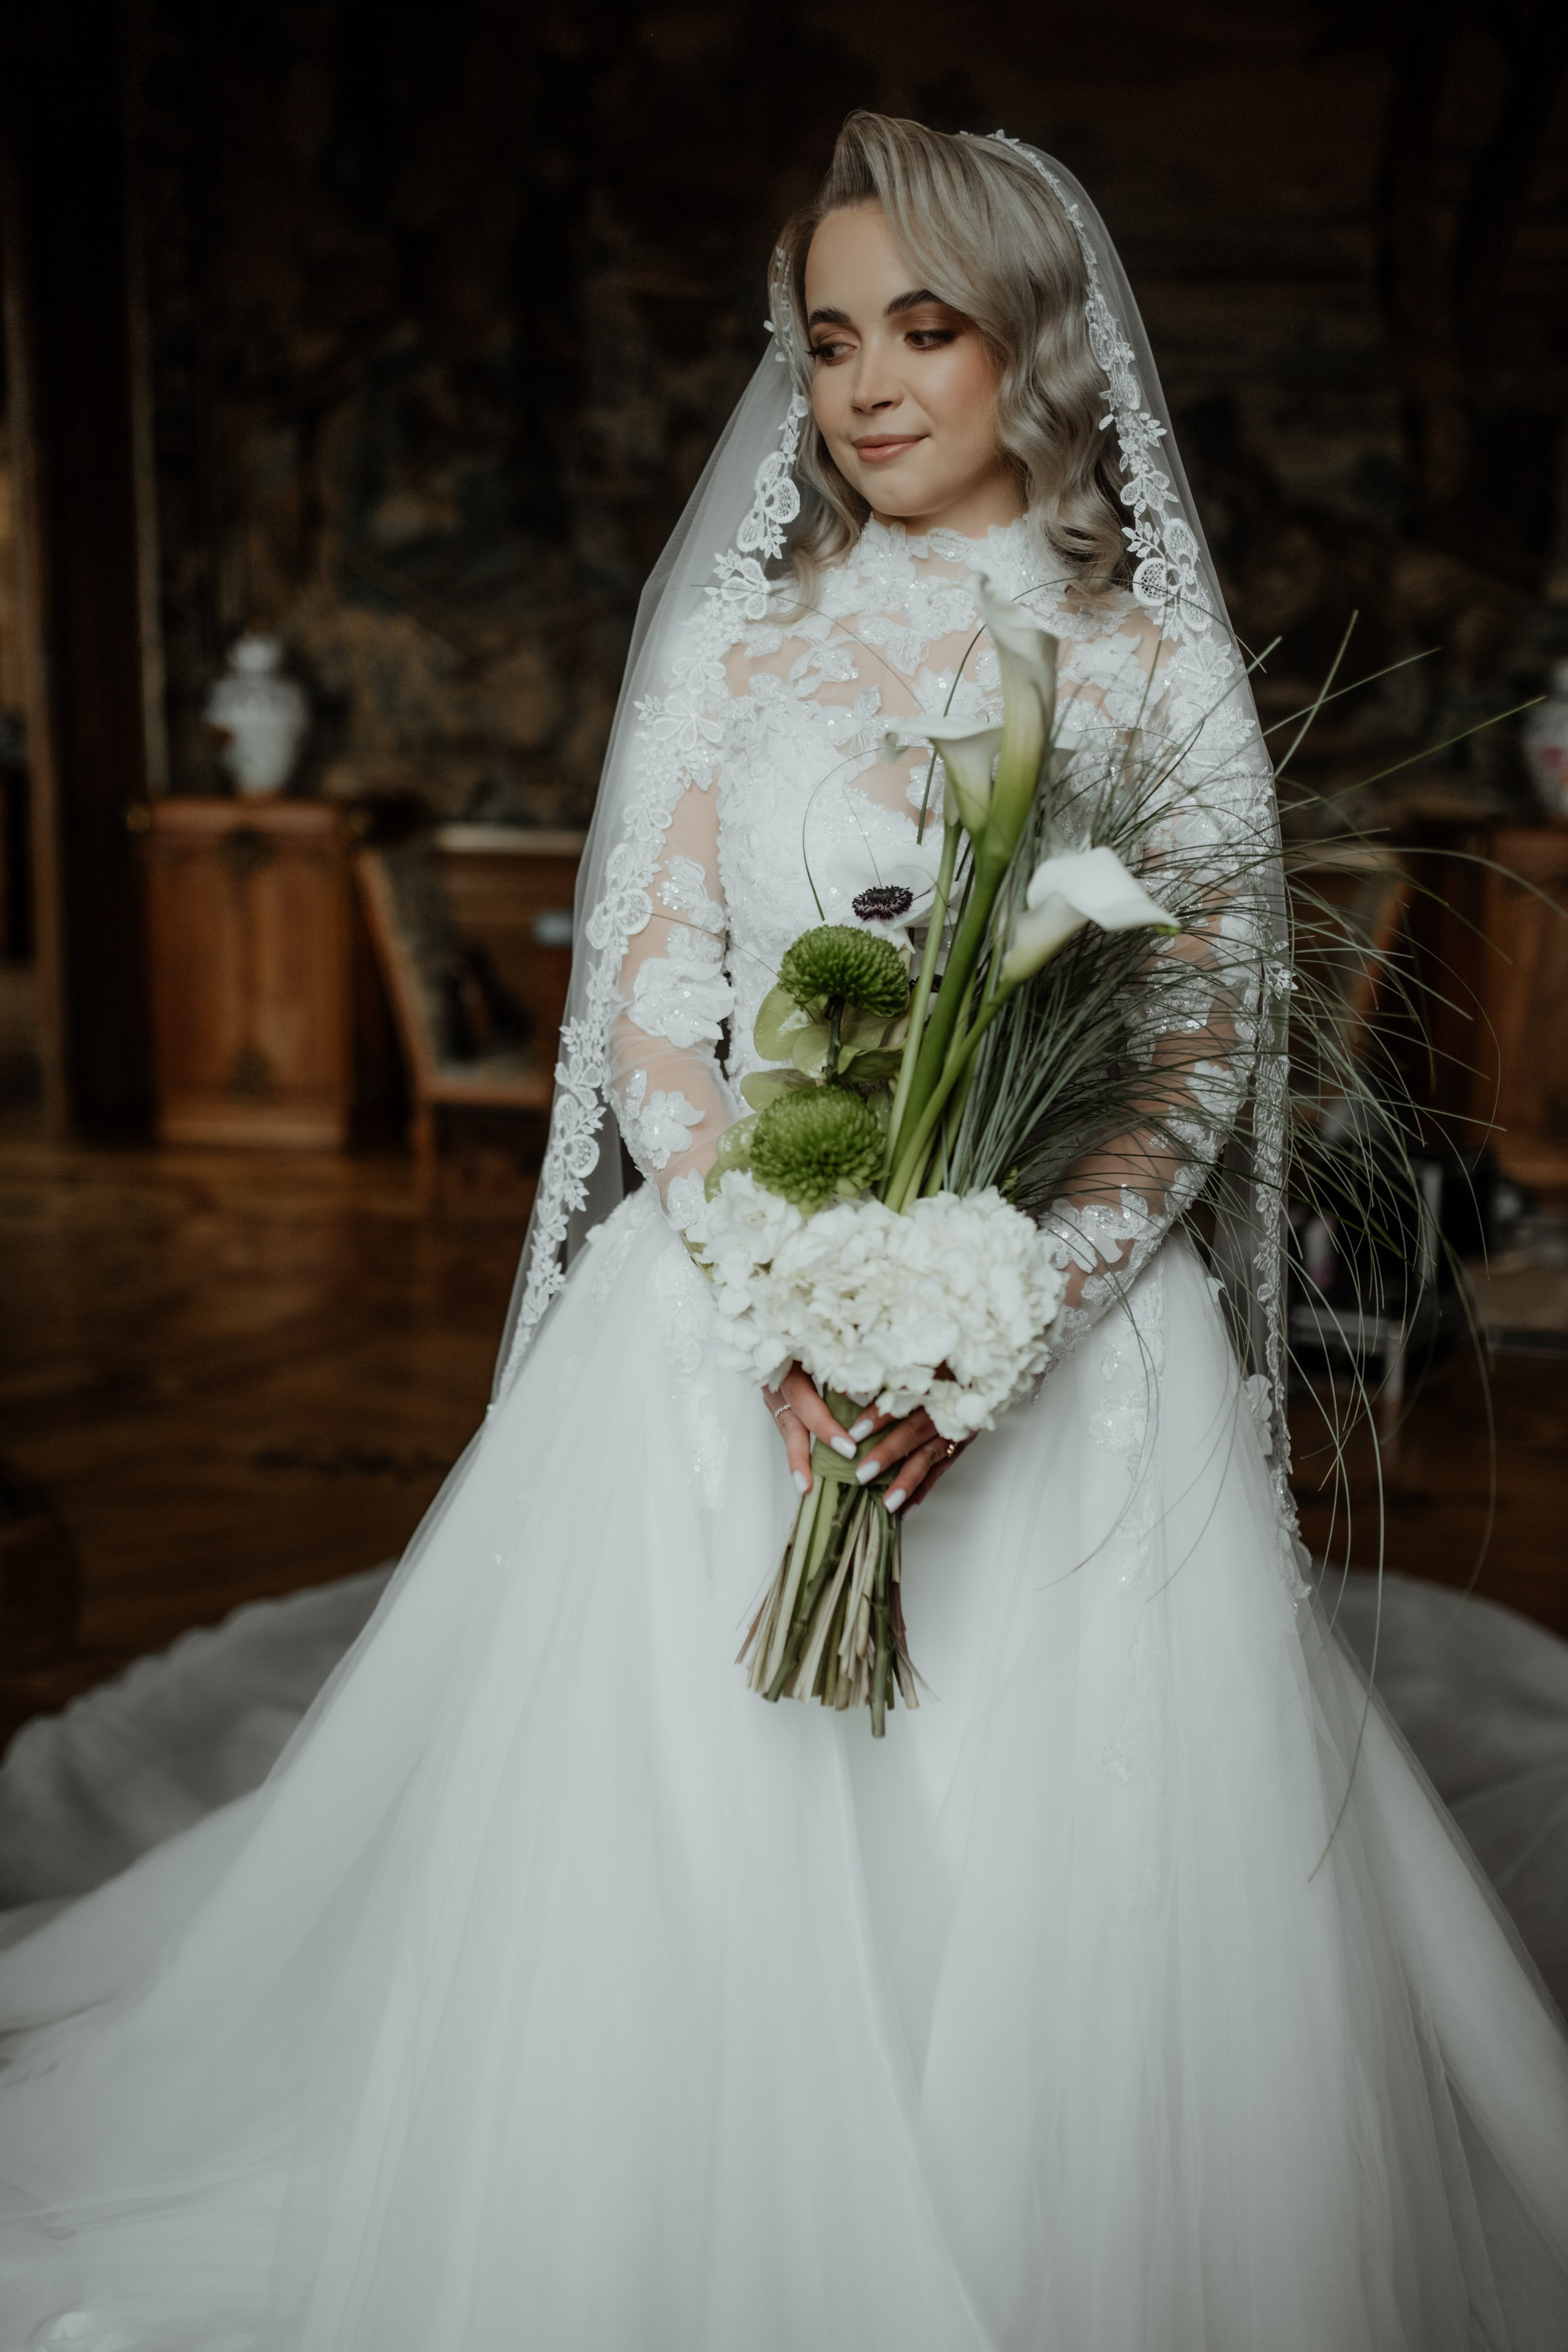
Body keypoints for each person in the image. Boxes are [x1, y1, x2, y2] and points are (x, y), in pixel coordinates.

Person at [1, 111, 1565, 2352]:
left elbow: (1199, 1047)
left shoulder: (1141, 666)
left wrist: (1008, 1311)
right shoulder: (751, 647)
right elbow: (649, 995)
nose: (861, 383)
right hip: (737, 1315)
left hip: (1055, 1343)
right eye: (827, 336)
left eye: (921, 328)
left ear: (1031, 344)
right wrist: (786, 1286)